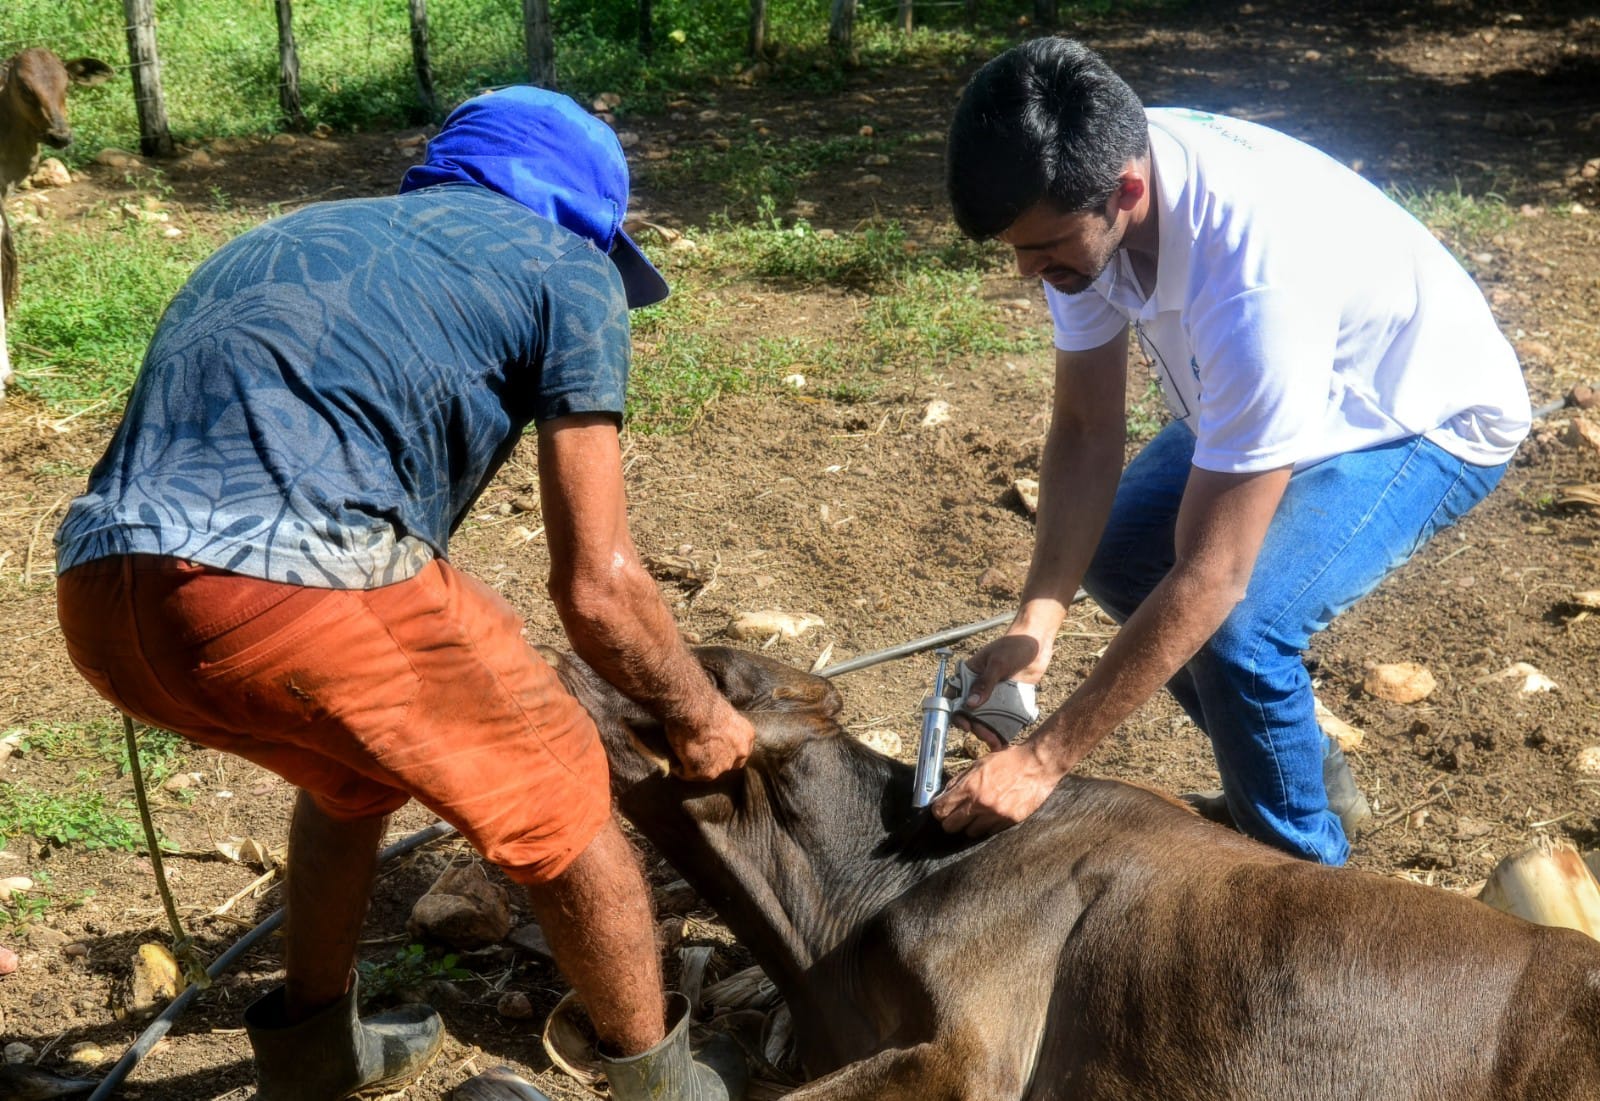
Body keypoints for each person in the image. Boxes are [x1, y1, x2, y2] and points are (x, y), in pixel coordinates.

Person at [54, 87, 751, 1101]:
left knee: (351, 777)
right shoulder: (566, 269)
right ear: (583, 217)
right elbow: (598, 590)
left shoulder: (291, 231)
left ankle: (316, 1053)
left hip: (105, 599)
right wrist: (699, 717)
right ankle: (662, 1086)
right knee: (567, 800)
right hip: (285, 588)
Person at [933, 38, 1529, 866]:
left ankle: (1308, 886)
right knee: (1121, 548)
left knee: (1241, 628)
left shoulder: (1252, 275)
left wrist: (1043, 759)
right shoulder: (1089, 188)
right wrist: (1039, 619)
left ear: (1127, 191)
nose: (1030, 271)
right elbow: (1084, 428)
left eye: (1045, 249)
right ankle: (1298, 780)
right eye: (1015, 249)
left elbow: (1214, 577)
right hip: (1286, 381)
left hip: (1416, 407)